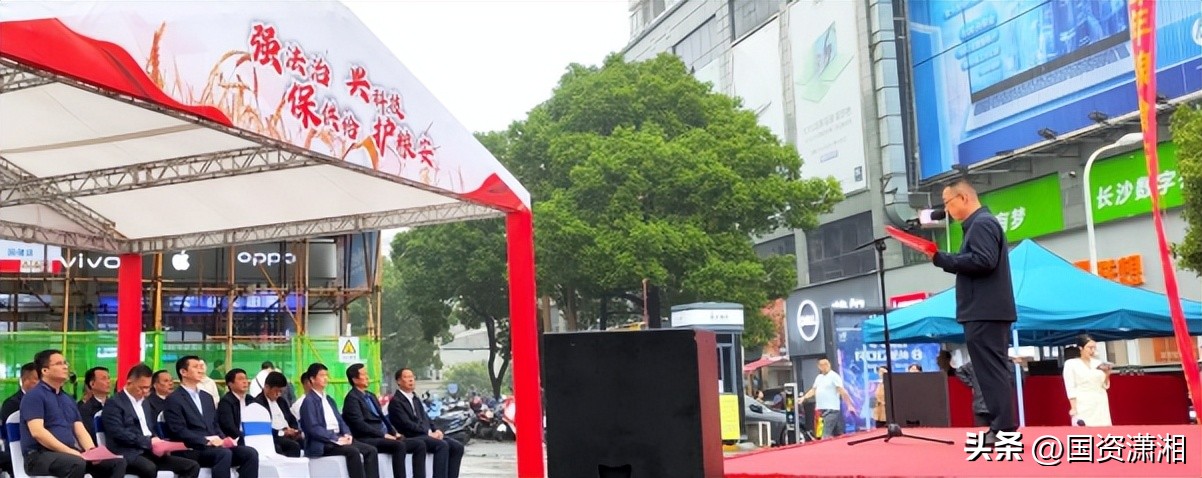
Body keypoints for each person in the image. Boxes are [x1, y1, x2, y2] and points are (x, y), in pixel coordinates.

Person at [926, 177, 1018, 443]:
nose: (946, 209)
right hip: (986, 310)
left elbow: (983, 261)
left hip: (985, 310)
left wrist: (943, 259)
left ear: (963, 198)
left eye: (947, 202)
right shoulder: (981, 224)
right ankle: (1001, 426)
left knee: (991, 371)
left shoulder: (981, 224)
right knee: (990, 371)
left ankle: (1003, 428)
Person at [19, 349, 127, 478]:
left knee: (116, 463)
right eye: (59, 364)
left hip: (68, 455)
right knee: (76, 463)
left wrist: (92, 452)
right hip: (38, 456)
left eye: (65, 363)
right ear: (45, 370)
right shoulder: (34, 396)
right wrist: (70, 452)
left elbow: (80, 430)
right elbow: (38, 433)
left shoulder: (67, 398)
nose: (65, 367)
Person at [161, 355, 259, 478]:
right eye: (195, 367)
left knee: (250, 453)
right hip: (190, 448)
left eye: (201, 367)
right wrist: (206, 441)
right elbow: (178, 430)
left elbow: (215, 424)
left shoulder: (206, 397)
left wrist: (223, 439)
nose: (200, 370)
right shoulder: (174, 399)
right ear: (183, 372)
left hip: (214, 447)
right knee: (223, 454)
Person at [102, 364, 201, 478]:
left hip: (149, 450)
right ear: (129, 383)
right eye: (141, 388)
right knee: (149, 468)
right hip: (127, 451)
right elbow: (118, 432)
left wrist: (159, 442)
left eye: (148, 388)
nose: (145, 391)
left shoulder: (145, 403)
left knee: (191, 466)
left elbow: (149, 428)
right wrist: (148, 442)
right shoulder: (114, 403)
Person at [342, 363, 428, 478]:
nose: (367, 377)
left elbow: (382, 417)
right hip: (367, 437)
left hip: (382, 435)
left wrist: (394, 432)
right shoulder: (352, 399)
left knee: (419, 445)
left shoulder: (371, 396)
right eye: (364, 374)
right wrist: (383, 435)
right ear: (355, 379)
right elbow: (359, 424)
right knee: (399, 446)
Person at [299, 363, 379, 478]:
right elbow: (313, 428)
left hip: (338, 438)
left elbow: (340, 420)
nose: (325, 378)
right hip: (322, 443)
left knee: (371, 450)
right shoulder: (309, 401)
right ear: (312, 379)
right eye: (322, 375)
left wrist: (347, 433)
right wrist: (335, 438)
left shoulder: (329, 399)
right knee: (353, 452)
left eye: (326, 375)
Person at [388, 368, 464, 478]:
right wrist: (428, 433)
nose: (411, 380)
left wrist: (436, 430)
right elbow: (406, 424)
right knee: (442, 445)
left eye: (412, 377)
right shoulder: (396, 401)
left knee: (457, 446)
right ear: (399, 381)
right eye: (407, 377)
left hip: (424, 434)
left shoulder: (415, 399)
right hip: (411, 436)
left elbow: (426, 418)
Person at [1062, 334, 1112, 426]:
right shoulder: (1071, 364)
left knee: (1103, 428)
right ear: (1081, 348)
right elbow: (1070, 386)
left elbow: (1104, 385)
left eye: (1094, 348)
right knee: (1084, 428)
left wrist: (1107, 373)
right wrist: (1073, 407)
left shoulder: (1098, 363)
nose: (1092, 350)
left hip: (1100, 400)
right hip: (1083, 401)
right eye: (1090, 347)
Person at [798, 359, 855, 439]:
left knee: (825, 434)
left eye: (826, 364)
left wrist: (849, 405)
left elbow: (842, 391)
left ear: (829, 365)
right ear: (819, 367)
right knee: (837, 433)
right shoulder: (819, 377)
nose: (825, 367)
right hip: (820, 410)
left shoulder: (834, 376)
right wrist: (803, 398)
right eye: (822, 365)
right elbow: (813, 390)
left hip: (831, 410)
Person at [251, 371, 303, 458]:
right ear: (267, 387)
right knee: (293, 446)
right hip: (273, 436)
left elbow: (291, 418)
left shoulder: (281, 401)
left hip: (288, 434)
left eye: (281, 391)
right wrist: (282, 432)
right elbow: (262, 428)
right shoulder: (258, 404)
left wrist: (294, 430)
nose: (278, 394)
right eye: (276, 391)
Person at [1, 362, 39, 476]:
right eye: (37, 379)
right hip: (22, 452)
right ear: (25, 381)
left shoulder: (47, 401)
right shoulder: (12, 404)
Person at [217, 368, 252, 444]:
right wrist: (244, 437)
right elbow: (229, 427)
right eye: (240, 379)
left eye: (246, 379)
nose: (245, 382)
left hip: (252, 437)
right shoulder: (226, 402)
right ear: (230, 384)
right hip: (235, 440)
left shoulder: (250, 399)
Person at [78, 366, 111, 443]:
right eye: (104, 378)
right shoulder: (85, 409)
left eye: (108, 378)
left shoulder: (116, 405)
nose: (108, 381)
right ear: (92, 384)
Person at [954, 361, 992, 427]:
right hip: (992, 406)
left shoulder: (975, 363)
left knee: (981, 430)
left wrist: (971, 384)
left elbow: (959, 371)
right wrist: (971, 384)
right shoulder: (996, 363)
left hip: (981, 405)